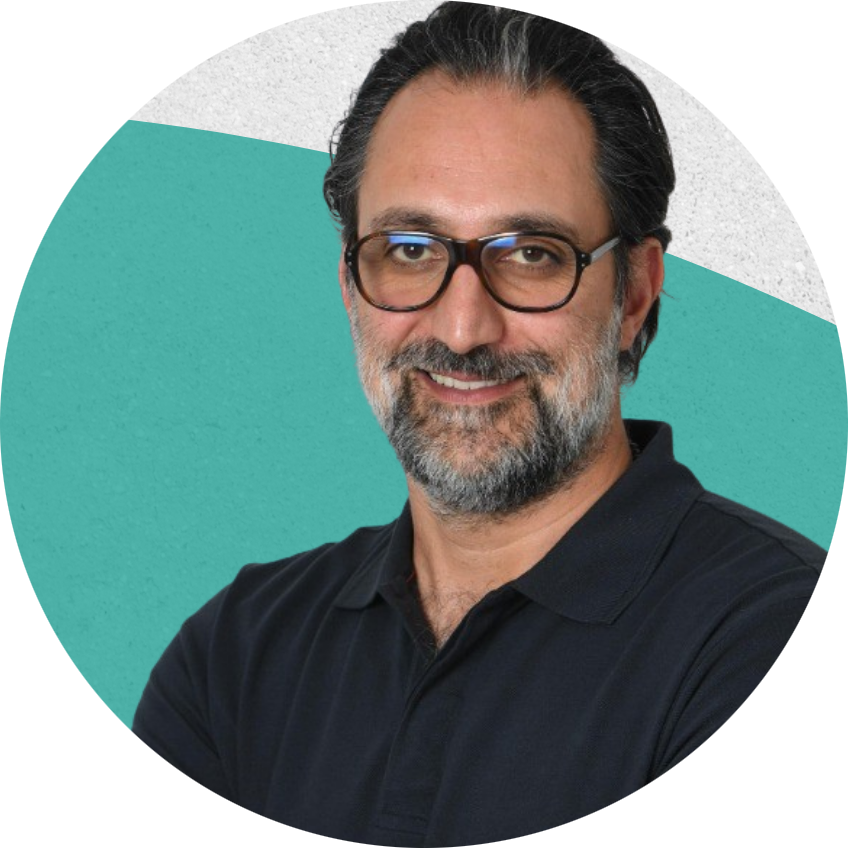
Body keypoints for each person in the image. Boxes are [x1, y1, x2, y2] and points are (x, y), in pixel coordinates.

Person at [133, 4, 823, 840]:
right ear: (350, 285)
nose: (462, 331)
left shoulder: (765, 632)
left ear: (636, 293)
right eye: (410, 250)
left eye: (531, 255)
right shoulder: (237, 655)